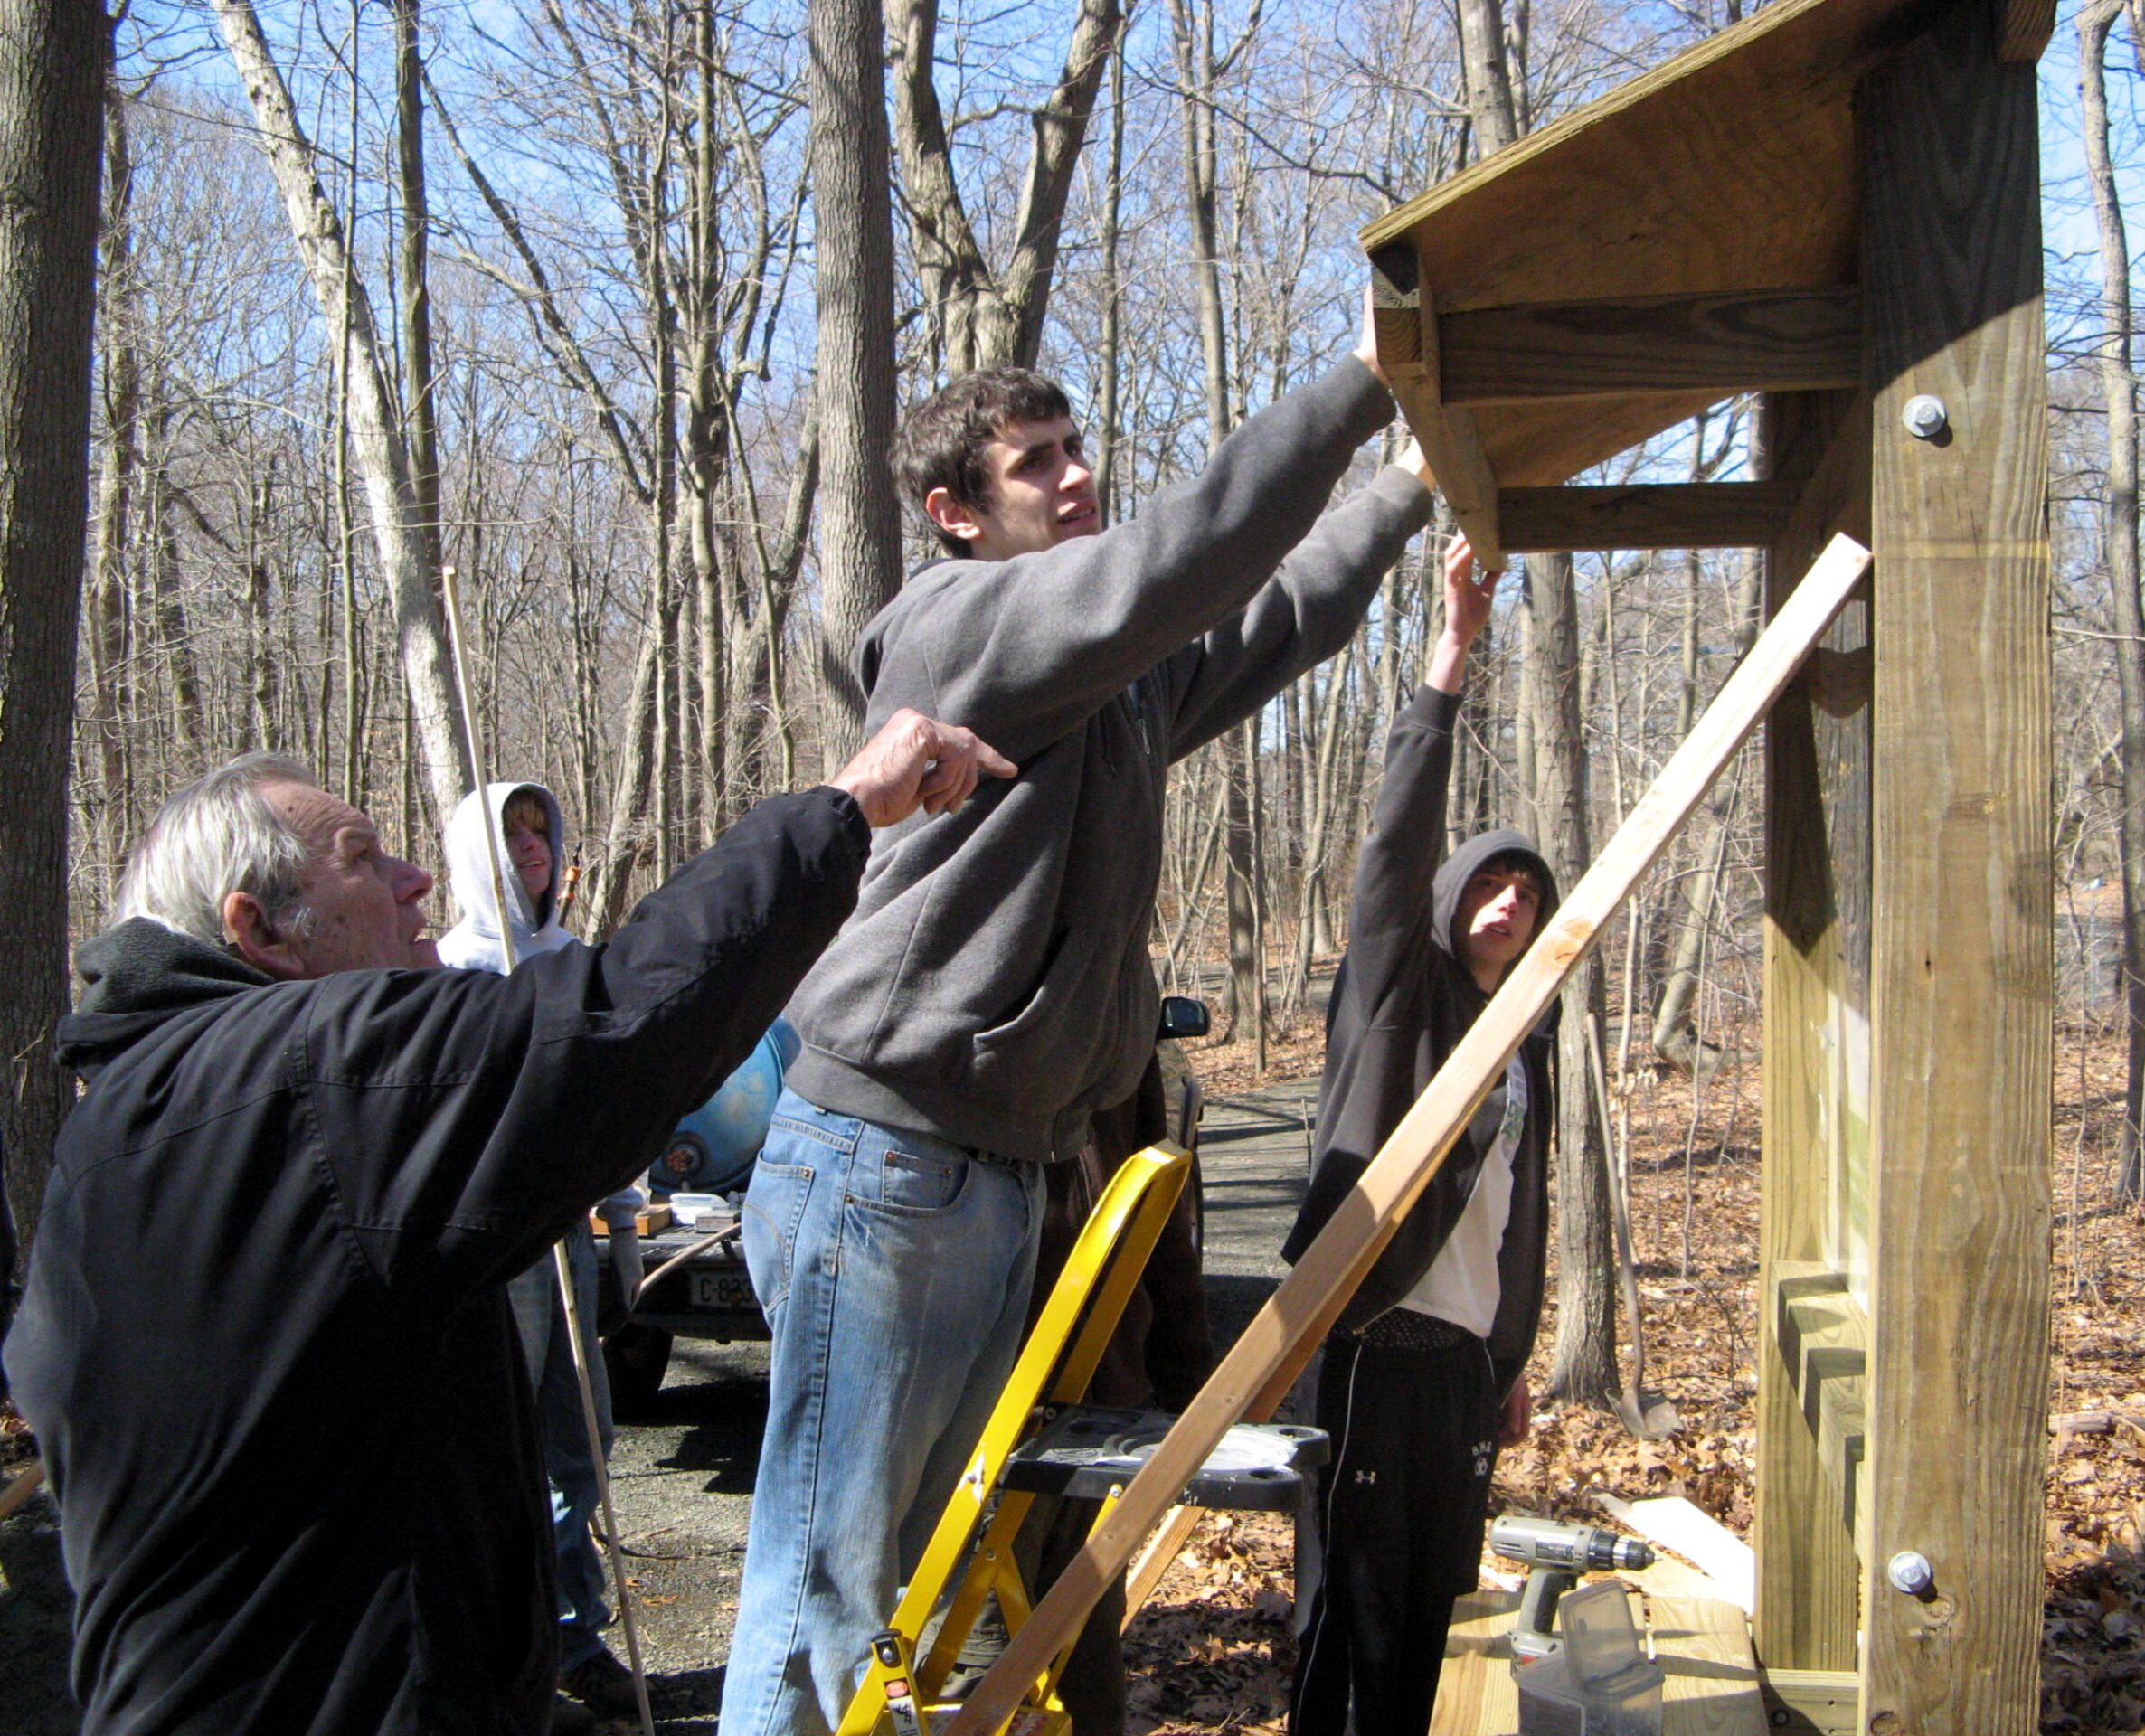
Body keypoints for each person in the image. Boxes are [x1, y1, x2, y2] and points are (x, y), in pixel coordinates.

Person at [4, 710, 1011, 1736]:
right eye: (363, 858)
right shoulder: (300, 1078)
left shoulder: (131, 1120)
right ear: (258, 930)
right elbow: (614, 1026)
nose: (415, 881)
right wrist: (842, 811)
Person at [720, 299, 1435, 1736]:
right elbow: (1175, 565)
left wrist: (1409, 490)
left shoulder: (1102, 683)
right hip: (879, 1170)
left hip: (988, 1176)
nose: (1074, 476)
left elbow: (1273, 617)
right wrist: (1364, 383)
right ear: (954, 515)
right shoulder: (960, 631)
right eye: (1035, 463)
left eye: (1076, 447)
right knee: (822, 1600)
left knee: (918, 1590)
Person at [1280, 535, 1559, 1736]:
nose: (1509, 905)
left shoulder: (1523, 1043)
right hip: (1371, 1352)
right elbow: (1395, 839)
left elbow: (1515, 1216)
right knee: (1355, 1620)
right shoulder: (1400, 994)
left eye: (1531, 896)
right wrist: (1450, 650)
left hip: (1455, 1376)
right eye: (1491, 885)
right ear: (1453, 900)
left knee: (1438, 1624)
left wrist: (1504, 1359)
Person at [438, 778, 645, 1722]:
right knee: (501, 1446)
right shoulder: (449, 970)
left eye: (539, 832)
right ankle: (503, 1652)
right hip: (495, 1245)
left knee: (584, 1443)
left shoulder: (573, 961)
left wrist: (627, 1215)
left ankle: (575, 1630)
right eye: (511, 835)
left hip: (568, 1233)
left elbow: (612, 1103)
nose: (530, 849)